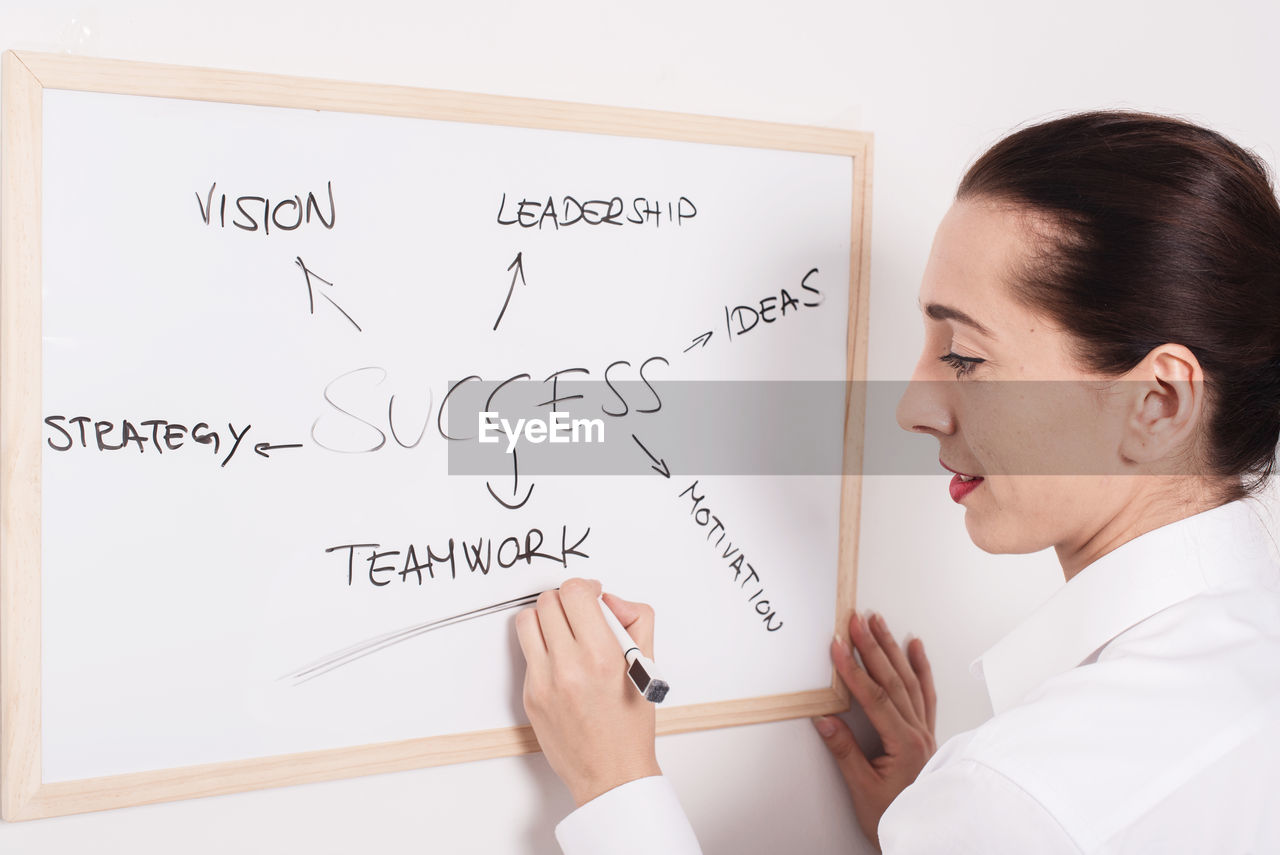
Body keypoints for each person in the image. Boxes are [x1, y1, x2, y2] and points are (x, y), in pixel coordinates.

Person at [514, 110, 1280, 853]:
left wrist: (613, 782)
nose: (913, 406)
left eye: (965, 356)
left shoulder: (1021, 795)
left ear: (1159, 402)